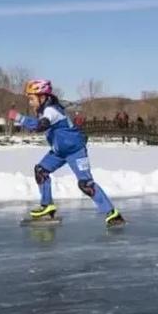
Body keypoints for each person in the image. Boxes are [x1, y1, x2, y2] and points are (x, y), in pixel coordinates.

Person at [8, 79, 125, 226]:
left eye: (32, 99)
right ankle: (47, 206)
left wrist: (19, 118)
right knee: (41, 171)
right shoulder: (44, 110)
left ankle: (113, 214)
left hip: (75, 151)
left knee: (85, 184)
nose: (30, 103)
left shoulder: (51, 110)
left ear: (42, 97)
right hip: (59, 151)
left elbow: (40, 126)